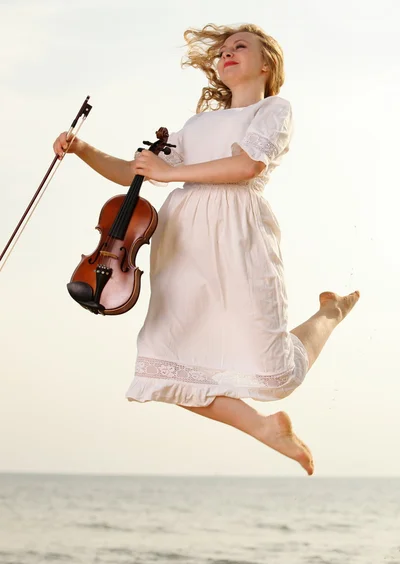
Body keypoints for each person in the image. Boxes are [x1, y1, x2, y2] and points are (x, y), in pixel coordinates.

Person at [53, 23, 360, 476]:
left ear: (266, 63)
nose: (227, 53)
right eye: (223, 51)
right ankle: (264, 428)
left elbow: (246, 164)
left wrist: (168, 173)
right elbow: (133, 173)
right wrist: (81, 148)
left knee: (275, 371)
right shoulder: (196, 125)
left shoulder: (275, 109)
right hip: (182, 242)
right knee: (165, 369)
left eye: (241, 47)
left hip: (239, 237)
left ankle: (329, 313)